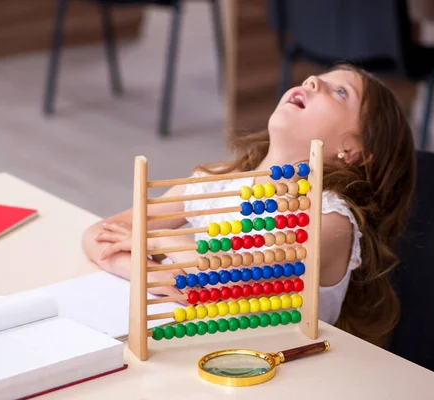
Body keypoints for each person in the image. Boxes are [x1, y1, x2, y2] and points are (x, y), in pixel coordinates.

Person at [82, 64, 416, 347]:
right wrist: (149, 272)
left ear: (355, 151)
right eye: (316, 78)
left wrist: (155, 242)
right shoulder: (217, 183)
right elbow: (99, 234)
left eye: (340, 92)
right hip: (192, 349)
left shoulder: (330, 221)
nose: (311, 81)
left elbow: (229, 281)